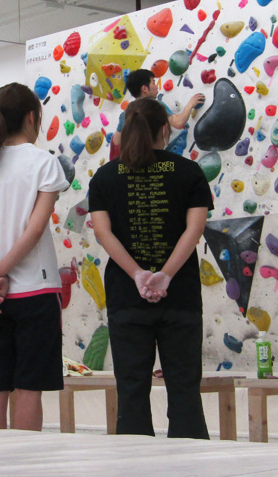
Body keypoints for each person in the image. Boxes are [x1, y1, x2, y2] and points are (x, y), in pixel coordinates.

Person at [89, 98, 213, 439]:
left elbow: (103, 232)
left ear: (126, 131)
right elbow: (194, 228)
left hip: (127, 299)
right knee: (185, 390)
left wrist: (138, 275)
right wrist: (166, 275)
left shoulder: (105, 177)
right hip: (181, 297)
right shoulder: (189, 172)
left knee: (131, 392)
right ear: (164, 129)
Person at [0, 83, 68, 431]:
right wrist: (3, 271)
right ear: (31, 117)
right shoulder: (45, 163)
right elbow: (34, 231)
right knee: (28, 389)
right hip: (34, 291)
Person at [110, 69, 205, 158]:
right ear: (144, 89)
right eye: (153, 83)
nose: (156, 86)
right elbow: (179, 122)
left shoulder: (126, 114)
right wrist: (191, 104)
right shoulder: (154, 106)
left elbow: (116, 142)